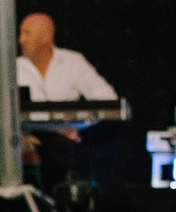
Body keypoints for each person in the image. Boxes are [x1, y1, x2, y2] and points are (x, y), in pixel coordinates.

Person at [14, 13, 115, 195]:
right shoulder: (13, 68)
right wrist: (21, 134)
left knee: (59, 149)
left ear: (46, 36)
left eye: (26, 33)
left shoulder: (73, 62)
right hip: (22, 134)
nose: (21, 40)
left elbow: (107, 100)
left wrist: (77, 125)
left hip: (63, 138)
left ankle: (57, 210)